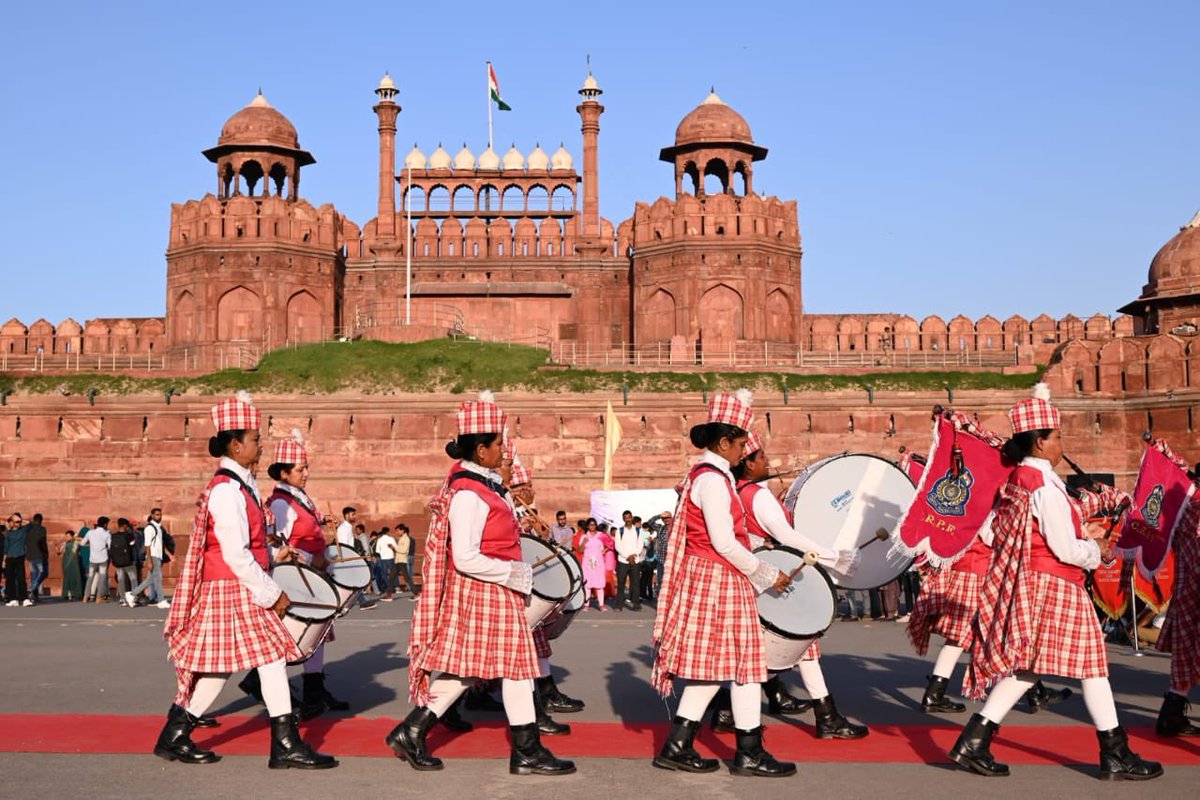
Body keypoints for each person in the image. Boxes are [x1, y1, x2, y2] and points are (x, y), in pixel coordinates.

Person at [952, 384, 1162, 781]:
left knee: (1029, 668)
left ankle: (973, 742)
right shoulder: (1043, 485)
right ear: (1040, 441)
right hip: (1055, 583)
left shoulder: (1021, 479)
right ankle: (1115, 753)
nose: (1062, 443)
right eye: (1058, 436)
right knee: (1094, 668)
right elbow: (1064, 547)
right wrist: (1095, 549)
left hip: (1036, 582)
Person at [387, 391, 574, 776]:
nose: (504, 451)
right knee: (516, 669)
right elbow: (466, 556)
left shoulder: (481, 486)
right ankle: (526, 751)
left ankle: (412, 729)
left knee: (471, 670)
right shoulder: (468, 494)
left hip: (492, 589)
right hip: (485, 589)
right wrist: (515, 573)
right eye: (499, 444)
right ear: (482, 449)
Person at [156, 391, 336, 770]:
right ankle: (283, 744)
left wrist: (271, 559)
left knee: (236, 664)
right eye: (255, 439)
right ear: (235, 445)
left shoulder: (238, 486)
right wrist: (273, 593)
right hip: (232, 586)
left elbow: (246, 549)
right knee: (263, 658)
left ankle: (176, 734)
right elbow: (235, 553)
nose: (260, 445)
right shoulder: (226, 490)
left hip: (236, 584)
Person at [652, 390, 795, 777]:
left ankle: (677, 745)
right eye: (742, 442)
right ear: (723, 442)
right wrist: (765, 572)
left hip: (713, 575)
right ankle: (749, 752)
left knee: (716, 668)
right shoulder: (713, 480)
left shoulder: (709, 476)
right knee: (747, 665)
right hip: (719, 577)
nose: (745, 449)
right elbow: (724, 542)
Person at [708, 430, 868, 740]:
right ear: (749, 464)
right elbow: (788, 537)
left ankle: (818, 713)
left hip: (753, 575)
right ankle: (825, 717)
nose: (768, 461)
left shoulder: (736, 491)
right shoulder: (758, 494)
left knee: (787, 648)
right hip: (773, 576)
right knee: (790, 645)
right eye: (761, 457)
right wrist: (835, 557)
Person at [910, 411, 1072, 716]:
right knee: (978, 633)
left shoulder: (989, 489)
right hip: (981, 568)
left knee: (968, 634)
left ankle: (942, 690)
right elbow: (989, 531)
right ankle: (940, 692)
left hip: (976, 566)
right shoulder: (997, 491)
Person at [262, 427, 350, 720]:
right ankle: (259, 683)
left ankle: (315, 688)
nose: (306, 473)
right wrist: (315, 559)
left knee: (318, 631)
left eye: (306, 468)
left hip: (311, 574)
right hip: (298, 578)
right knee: (297, 633)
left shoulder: (299, 497)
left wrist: (323, 521)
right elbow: (278, 543)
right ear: (284, 473)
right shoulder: (280, 502)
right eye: (300, 469)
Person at [1142, 440, 1200, 737]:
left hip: (1188, 585)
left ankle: (1172, 713)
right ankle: (1171, 714)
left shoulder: (1186, 507)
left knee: (1185, 653)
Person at [128, 508, 170, 609]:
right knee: (158, 578)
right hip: (153, 556)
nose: (159, 516)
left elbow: (159, 544)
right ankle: (161, 600)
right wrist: (149, 560)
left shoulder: (158, 527)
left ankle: (132, 594)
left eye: (160, 515)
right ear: (151, 515)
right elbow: (147, 545)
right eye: (156, 515)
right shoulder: (150, 528)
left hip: (157, 556)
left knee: (150, 579)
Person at [614, 509, 643, 611]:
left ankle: (636, 605)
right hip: (623, 560)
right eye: (626, 518)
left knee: (635, 584)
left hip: (635, 560)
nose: (628, 520)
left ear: (632, 517)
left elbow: (640, 545)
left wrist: (633, 555)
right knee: (621, 583)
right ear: (623, 519)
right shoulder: (620, 531)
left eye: (629, 517)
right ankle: (619, 605)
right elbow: (617, 546)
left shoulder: (638, 530)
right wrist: (627, 556)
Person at [110, 518, 139, 606]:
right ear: (126, 525)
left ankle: (122, 599)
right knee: (133, 579)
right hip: (128, 561)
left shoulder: (113, 536)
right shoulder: (129, 535)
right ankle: (134, 598)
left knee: (121, 580)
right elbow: (133, 546)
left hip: (118, 562)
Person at [83, 518, 111, 603]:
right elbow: (110, 547)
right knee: (102, 578)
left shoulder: (90, 532)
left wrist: (91, 545)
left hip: (93, 558)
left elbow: (82, 543)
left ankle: (85, 597)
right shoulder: (107, 534)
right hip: (103, 558)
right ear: (105, 524)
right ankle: (99, 597)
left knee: (90, 578)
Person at [581, 520, 607, 610]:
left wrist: (603, 552)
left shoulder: (601, 535)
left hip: (598, 563)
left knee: (599, 584)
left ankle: (601, 604)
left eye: (594, 524)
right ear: (587, 526)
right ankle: (586, 604)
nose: (592, 526)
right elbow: (580, 550)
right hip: (587, 563)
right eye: (590, 525)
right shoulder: (584, 536)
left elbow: (609, 544)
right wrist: (584, 542)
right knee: (587, 584)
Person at [3, 515, 29, 606]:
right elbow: (6, 548)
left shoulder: (23, 530)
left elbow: (31, 525)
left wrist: (20, 519)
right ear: (11, 523)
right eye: (16, 522)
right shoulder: (8, 534)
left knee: (21, 578)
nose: (18, 523)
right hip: (10, 557)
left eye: (19, 522)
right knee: (10, 579)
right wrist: (3, 561)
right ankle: (13, 599)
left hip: (20, 556)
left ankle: (25, 598)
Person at [26, 514, 48, 603]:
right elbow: (43, 542)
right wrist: (46, 553)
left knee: (34, 575)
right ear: (41, 520)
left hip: (30, 555)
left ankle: (34, 595)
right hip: (39, 554)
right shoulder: (42, 529)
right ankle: (31, 588)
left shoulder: (28, 529)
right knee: (43, 573)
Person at [376, 526, 400, 599]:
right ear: (388, 532)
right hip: (390, 557)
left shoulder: (379, 540)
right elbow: (396, 547)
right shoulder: (391, 539)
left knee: (384, 574)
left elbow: (378, 551)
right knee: (393, 572)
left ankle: (389, 587)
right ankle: (397, 587)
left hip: (383, 558)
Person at [58, 531, 83, 601]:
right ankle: (67, 594)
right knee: (67, 578)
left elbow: (84, 541)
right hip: (66, 563)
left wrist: (76, 538)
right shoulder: (64, 543)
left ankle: (77, 594)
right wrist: (58, 551)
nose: (67, 538)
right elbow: (60, 552)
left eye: (69, 536)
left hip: (75, 563)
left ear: (72, 536)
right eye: (66, 536)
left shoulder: (77, 542)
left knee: (76, 577)